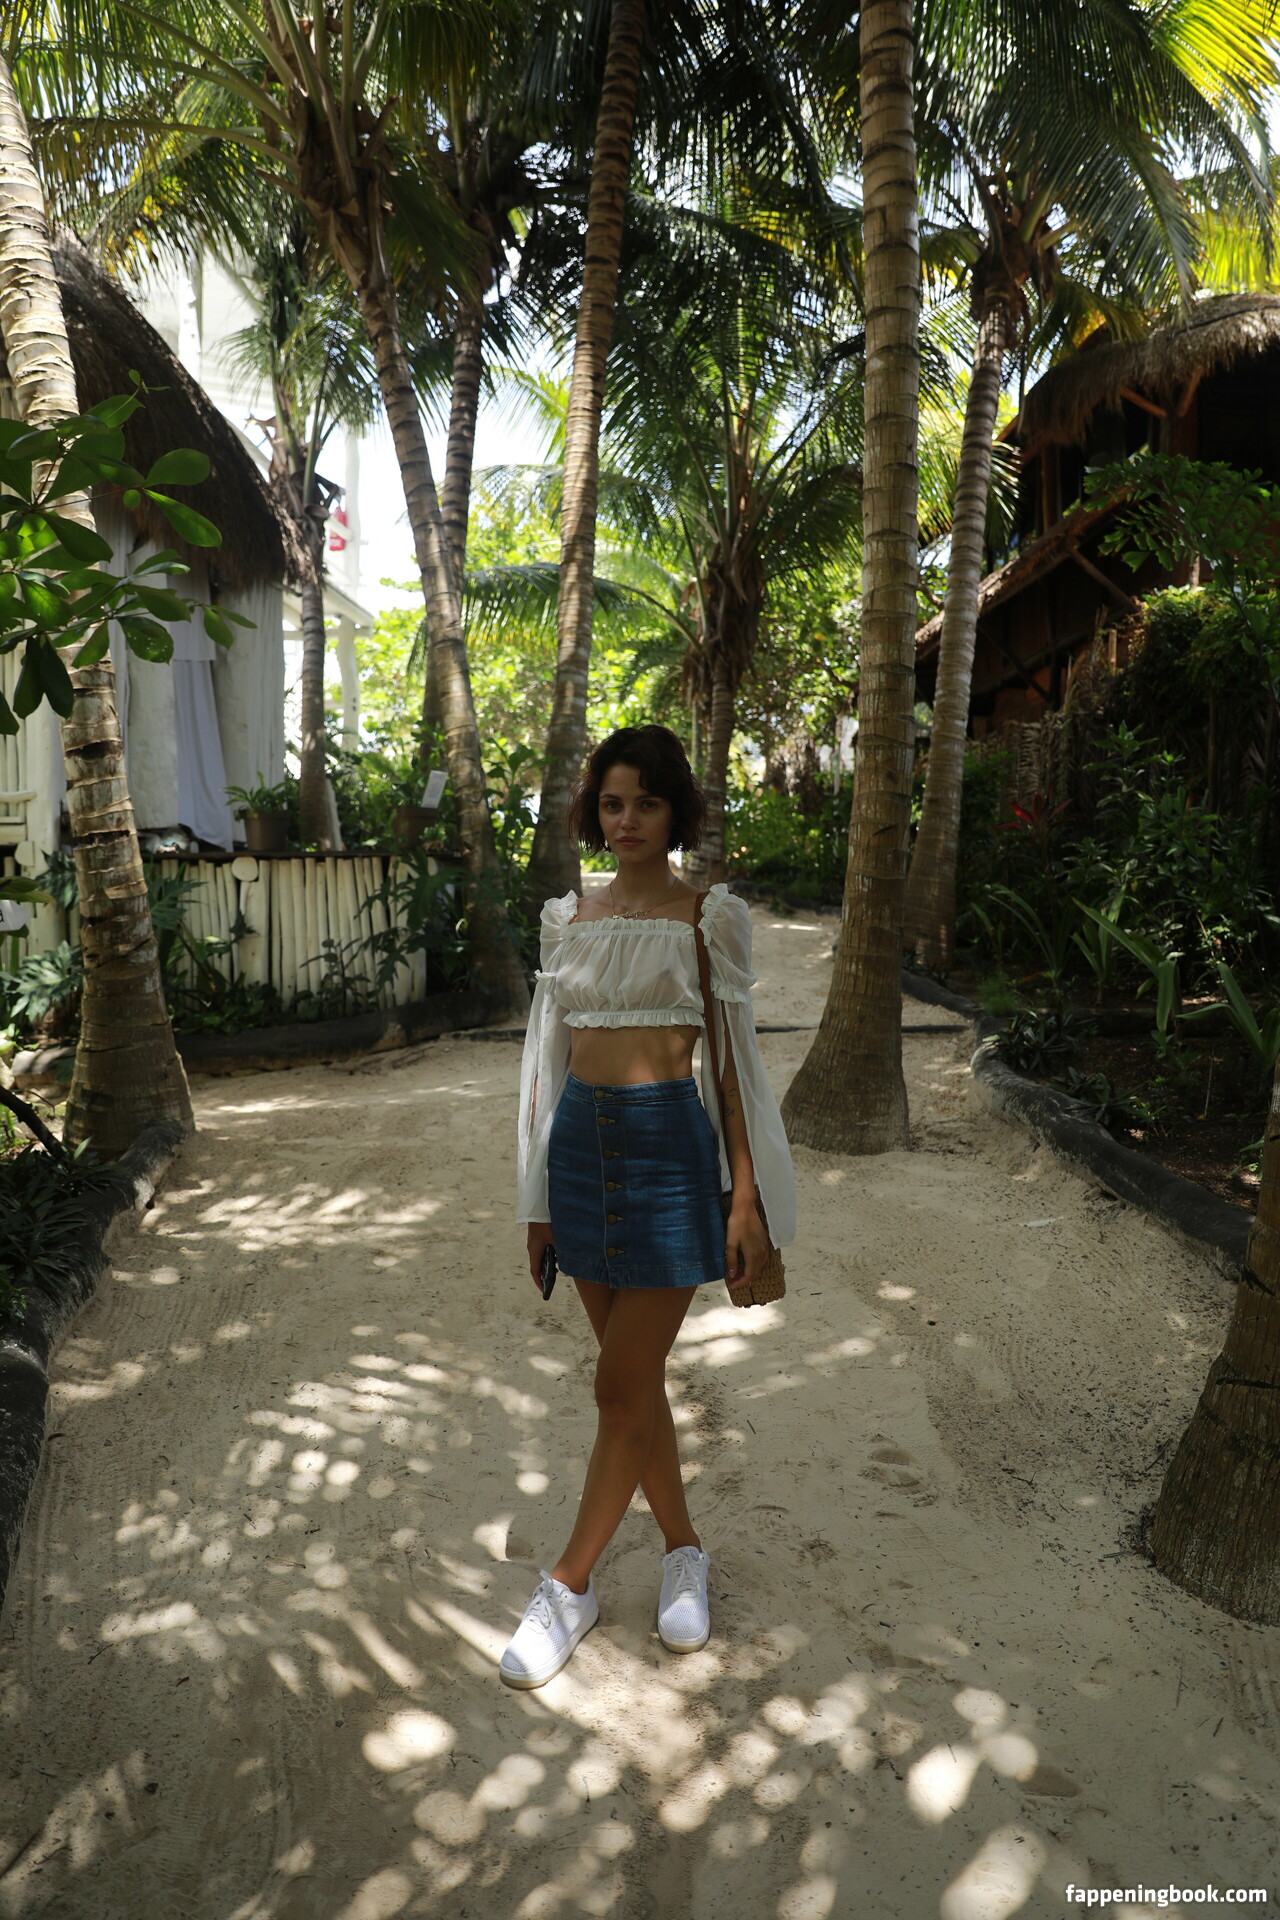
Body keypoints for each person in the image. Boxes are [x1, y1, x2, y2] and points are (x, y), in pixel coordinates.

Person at [502, 724, 796, 1689]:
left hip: (672, 1157)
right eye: (613, 803)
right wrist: (537, 1204)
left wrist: (745, 1200)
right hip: (580, 1158)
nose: (627, 820)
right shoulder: (568, 919)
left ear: (677, 812)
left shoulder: (709, 919)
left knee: (617, 1389)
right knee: (635, 1391)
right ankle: (684, 1551)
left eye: (648, 802)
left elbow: (736, 1072)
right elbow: (545, 1072)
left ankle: (568, 1584)